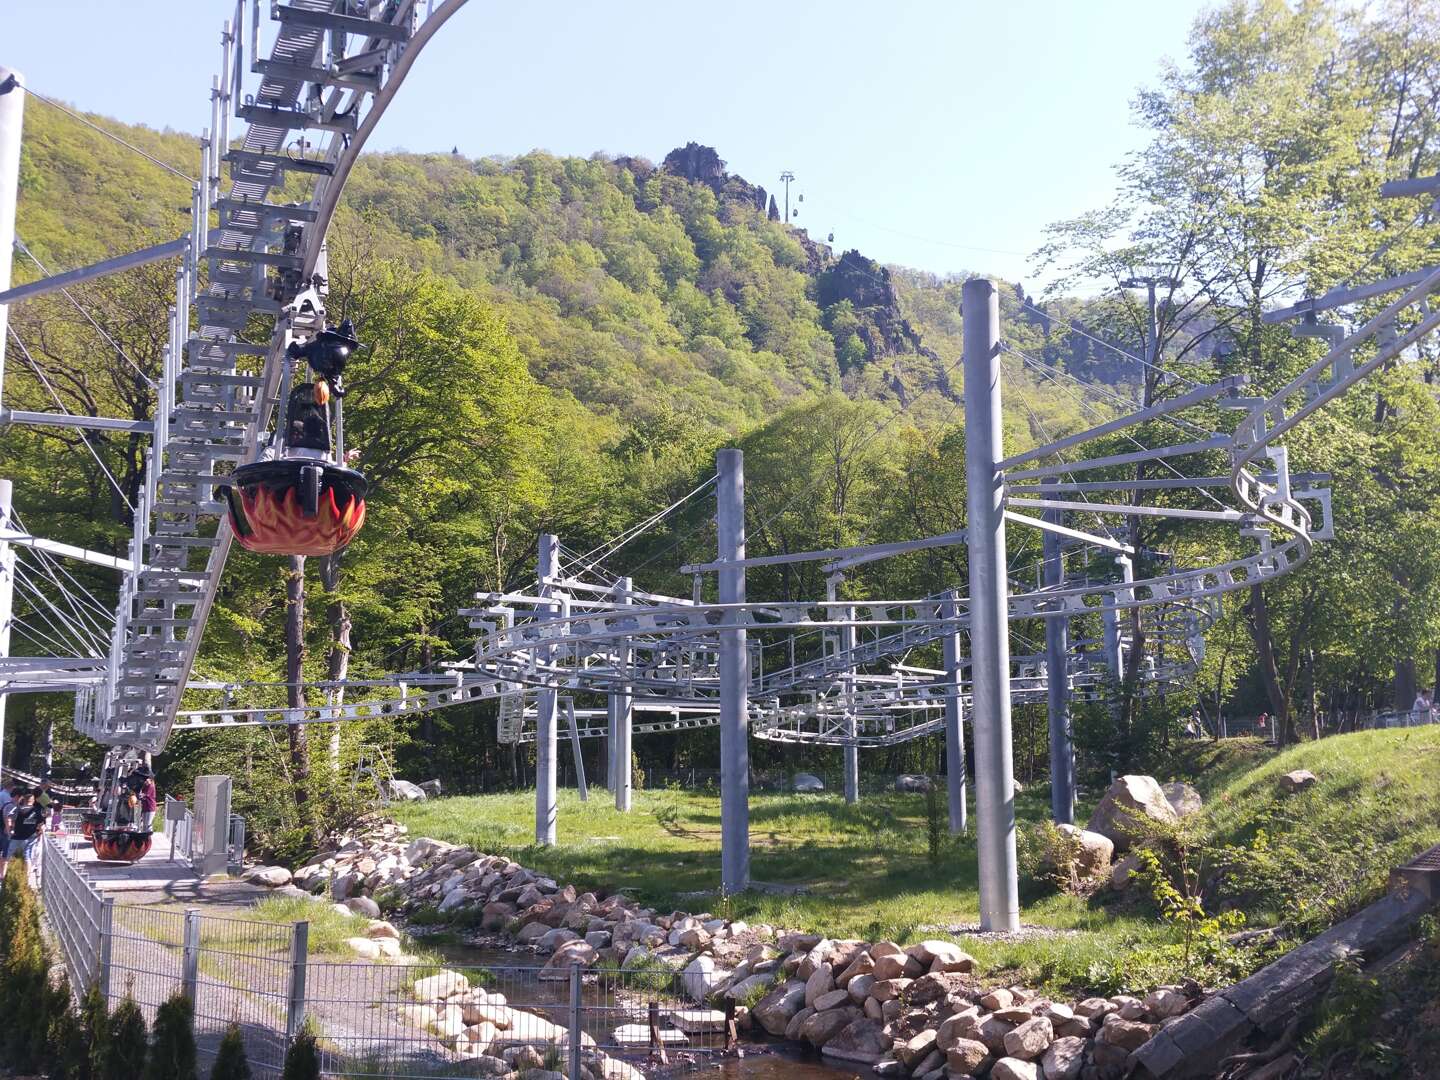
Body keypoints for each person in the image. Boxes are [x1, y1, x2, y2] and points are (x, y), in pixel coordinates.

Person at [6, 789, 47, 864]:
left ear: (24, 800)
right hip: (30, 837)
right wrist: (39, 833)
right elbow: (41, 824)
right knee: (27, 856)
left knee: (8, 855)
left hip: (17, 836)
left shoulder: (18, 809)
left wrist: (10, 831)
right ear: (33, 801)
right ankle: (27, 874)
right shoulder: (37, 811)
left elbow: (9, 818)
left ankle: (4, 872)